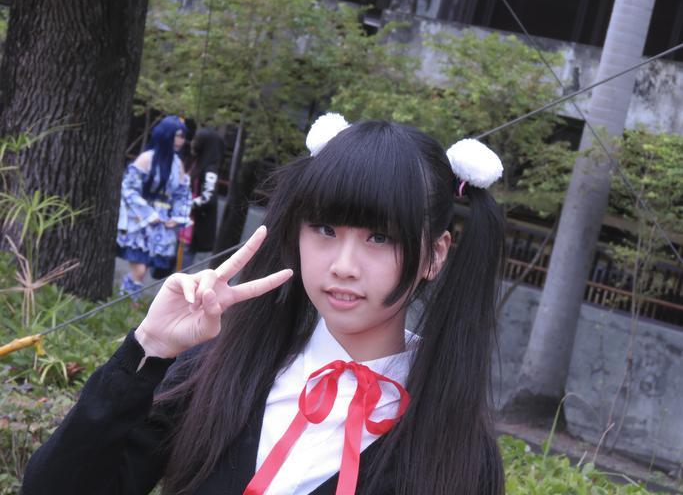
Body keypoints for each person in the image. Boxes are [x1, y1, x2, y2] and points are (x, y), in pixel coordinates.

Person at [22, 114, 506, 495]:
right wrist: (148, 349)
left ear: (434, 255)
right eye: (326, 229)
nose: (343, 265)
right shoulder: (216, 371)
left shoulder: (459, 451)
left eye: (380, 238)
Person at [117, 115, 192, 294]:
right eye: (178, 135)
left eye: (183, 136)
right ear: (166, 134)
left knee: (144, 272)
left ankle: (127, 303)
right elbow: (128, 188)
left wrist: (177, 218)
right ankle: (127, 302)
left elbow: (182, 194)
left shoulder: (178, 164)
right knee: (139, 270)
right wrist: (148, 213)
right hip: (140, 221)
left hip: (163, 224)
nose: (181, 140)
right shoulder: (147, 158)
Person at [180, 127, 225, 270]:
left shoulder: (210, 170)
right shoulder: (194, 162)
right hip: (182, 221)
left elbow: (208, 198)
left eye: (196, 140)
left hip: (193, 225)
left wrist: (186, 204)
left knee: (182, 267)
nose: (192, 142)